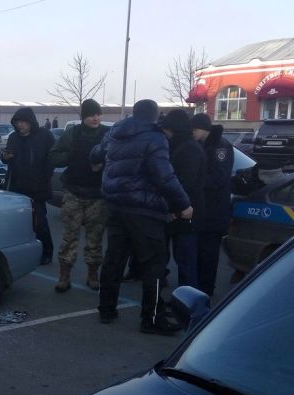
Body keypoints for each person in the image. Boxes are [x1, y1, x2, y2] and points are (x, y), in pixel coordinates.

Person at [97, 99, 192, 335]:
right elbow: (164, 176)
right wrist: (184, 204)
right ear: (154, 116)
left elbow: (96, 154)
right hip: (144, 208)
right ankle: (151, 318)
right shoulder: (154, 137)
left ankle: (106, 309)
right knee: (155, 264)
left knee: (114, 259)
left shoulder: (114, 133)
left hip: (116, 205)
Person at [49, 99, 110, 291]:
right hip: (74, 193)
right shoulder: (72, 134)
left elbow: (118, 157)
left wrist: (104, 164)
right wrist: (72, 157)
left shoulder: (107, 135)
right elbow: (53, 156)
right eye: (91, 114)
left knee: (95, 238)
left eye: (98, 114)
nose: (95, 118)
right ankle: (64, 276)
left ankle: (93, 274)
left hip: (98, 196)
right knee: (69, 237)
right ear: (83, 116)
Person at [2, 107, 57, 265]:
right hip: (17, 188)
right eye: (17, 122)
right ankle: (25, 252)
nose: (20, 125)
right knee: (19, 223)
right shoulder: (13, 137)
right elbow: (7, 157)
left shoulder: (44, 136)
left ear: (30, 122)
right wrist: (4, 157)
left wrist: (44, 177)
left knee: (39, 222)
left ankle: (47, 252)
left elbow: (52, 159)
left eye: (23, 122)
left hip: (38, 188)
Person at [160, 109, 205, 289]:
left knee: (186, 262)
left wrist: (175, 211)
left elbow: (186, 184)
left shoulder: (189, 149)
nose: (165, 133)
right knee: (182, 259)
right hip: (180, 212)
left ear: (174, 128)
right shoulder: (180, 146)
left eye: (167, 129)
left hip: (187, 214)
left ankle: (189, 307)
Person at [191, 113, 233, 298]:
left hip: (214, 209)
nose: (192, 133)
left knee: (208, 254)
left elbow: (219, 178)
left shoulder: (219, 146)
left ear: (204, 128)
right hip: (205, 208)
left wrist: (195, 182)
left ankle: (205, 291)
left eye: (195, 129)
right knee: (200, 253)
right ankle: (199, 288)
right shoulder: (204, 144)